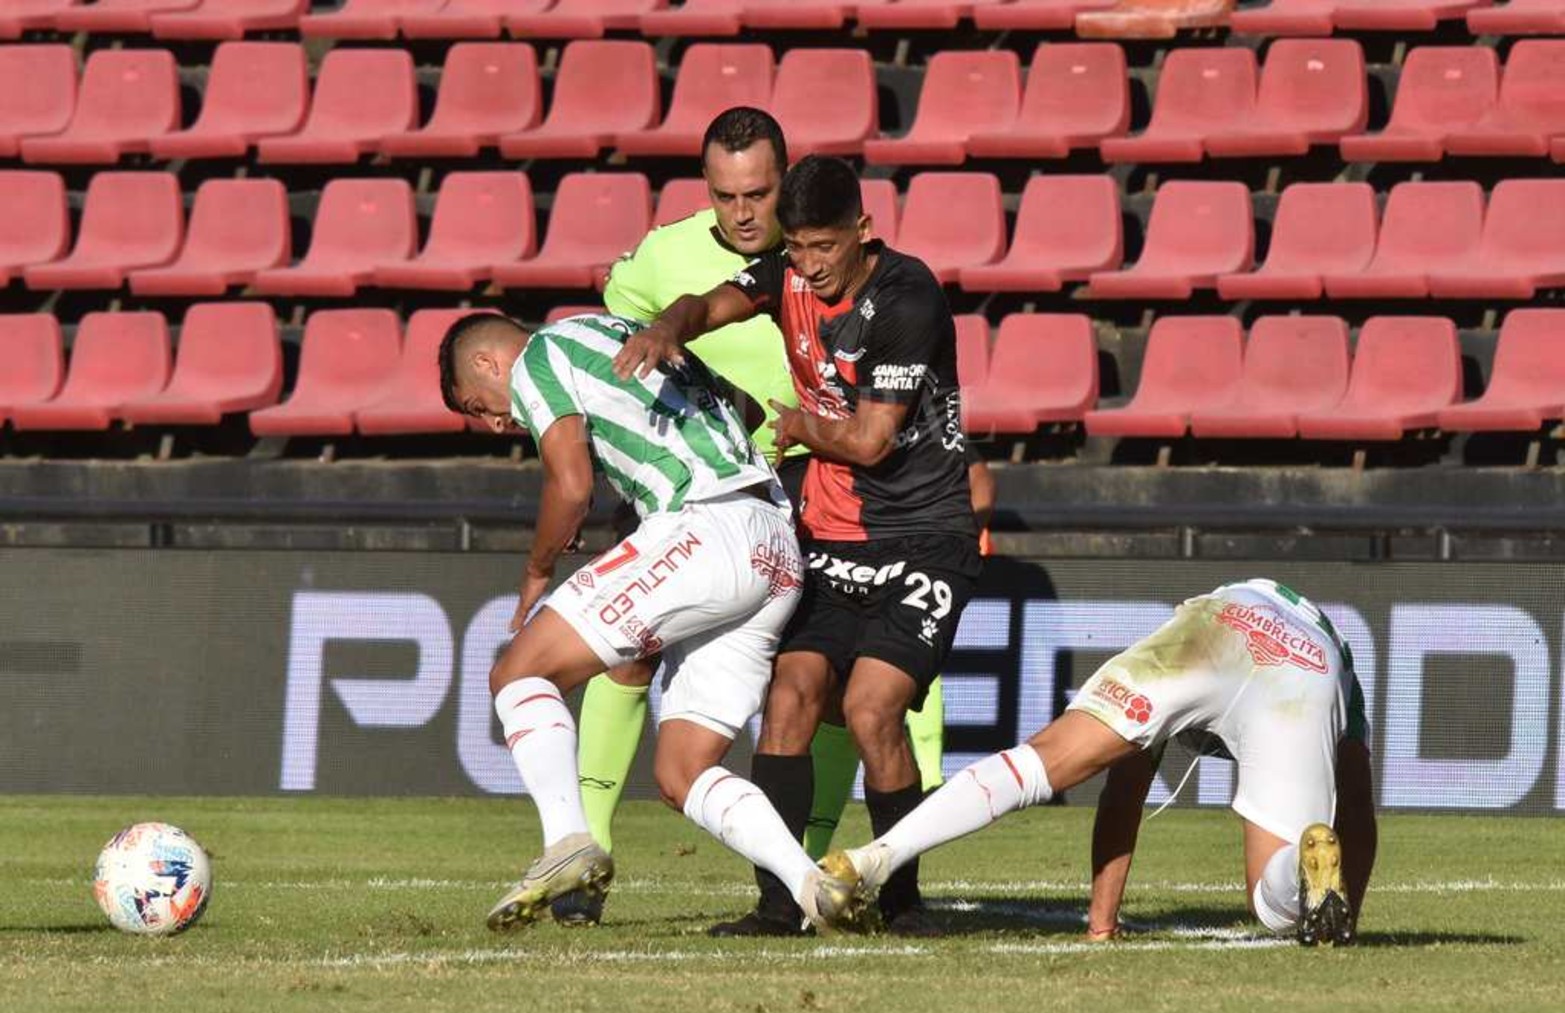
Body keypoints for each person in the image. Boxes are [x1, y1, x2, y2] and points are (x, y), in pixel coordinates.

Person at [560, 109, 979, 932]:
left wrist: (790, 424)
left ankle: (902, 900)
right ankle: (780, 901)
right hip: (830, 531)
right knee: (788, 694)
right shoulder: (785, 268)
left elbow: (866, 439)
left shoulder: (905, 295)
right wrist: (666, 328)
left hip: (923, 532)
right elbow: (714, 300)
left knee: (869, 710)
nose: (811, 267)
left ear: (862, 230)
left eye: (826, 248)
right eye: (800, 249)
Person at [436, 310, 855, 932]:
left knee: (518, 672)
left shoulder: (541, 355)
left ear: (488, 362)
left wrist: (536, 570)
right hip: (774, 540)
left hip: (703, 525)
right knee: (683, 770)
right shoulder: (620, 330)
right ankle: (812, 886)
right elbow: (744, 411)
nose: (496, 422)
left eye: (480, 406)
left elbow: (571, 486)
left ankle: (568, 840)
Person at [818, 578, 1377, 946]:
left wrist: (1101, 927)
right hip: (1308, 663)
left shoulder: (1227, 601)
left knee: (1039, 763)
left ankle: (873, 857)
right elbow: (1358, 807)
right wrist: (1345, 916)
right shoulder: (1343, 673)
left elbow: (1123, 794)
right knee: (1274, 901)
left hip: (1223, 613)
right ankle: (1300, 873)